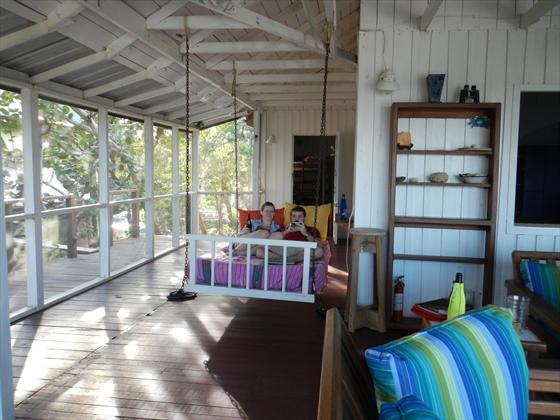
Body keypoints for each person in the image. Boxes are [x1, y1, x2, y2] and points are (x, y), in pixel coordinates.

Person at [256, 205, 324, 261]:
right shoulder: (283, 228)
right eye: (294, 216)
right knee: (259, 251)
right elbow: (270, 240)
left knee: (319, 252)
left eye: (300, 216)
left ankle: (290, 259)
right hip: (284, 249)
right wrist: (285, 232)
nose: (296, 218)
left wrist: (306, 233)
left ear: (304, 218)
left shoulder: (311, 229)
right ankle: (287, 259)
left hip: (300, 250)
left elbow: (320, 244)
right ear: (291, 218)